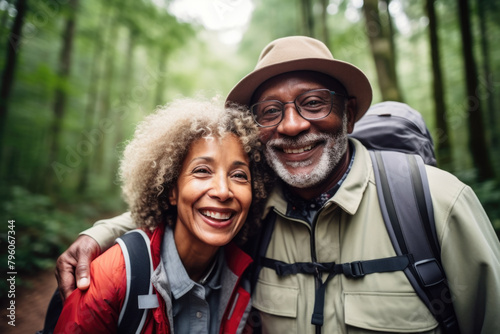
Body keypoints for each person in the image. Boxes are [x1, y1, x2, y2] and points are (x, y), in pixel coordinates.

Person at [56, 36, 500, 333]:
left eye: (312, 103)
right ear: (257, 130)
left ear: (346, 115)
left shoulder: (437, 204)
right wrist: (101, 234)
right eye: (270, 112)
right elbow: (187, 203)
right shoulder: (255, 209)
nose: (291, 125)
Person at [54, 97, 272, 333]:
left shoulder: (247, 274)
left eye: (239, 175)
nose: (222, 191)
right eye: (202, 171)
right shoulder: (113, 276)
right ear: (171, 191)